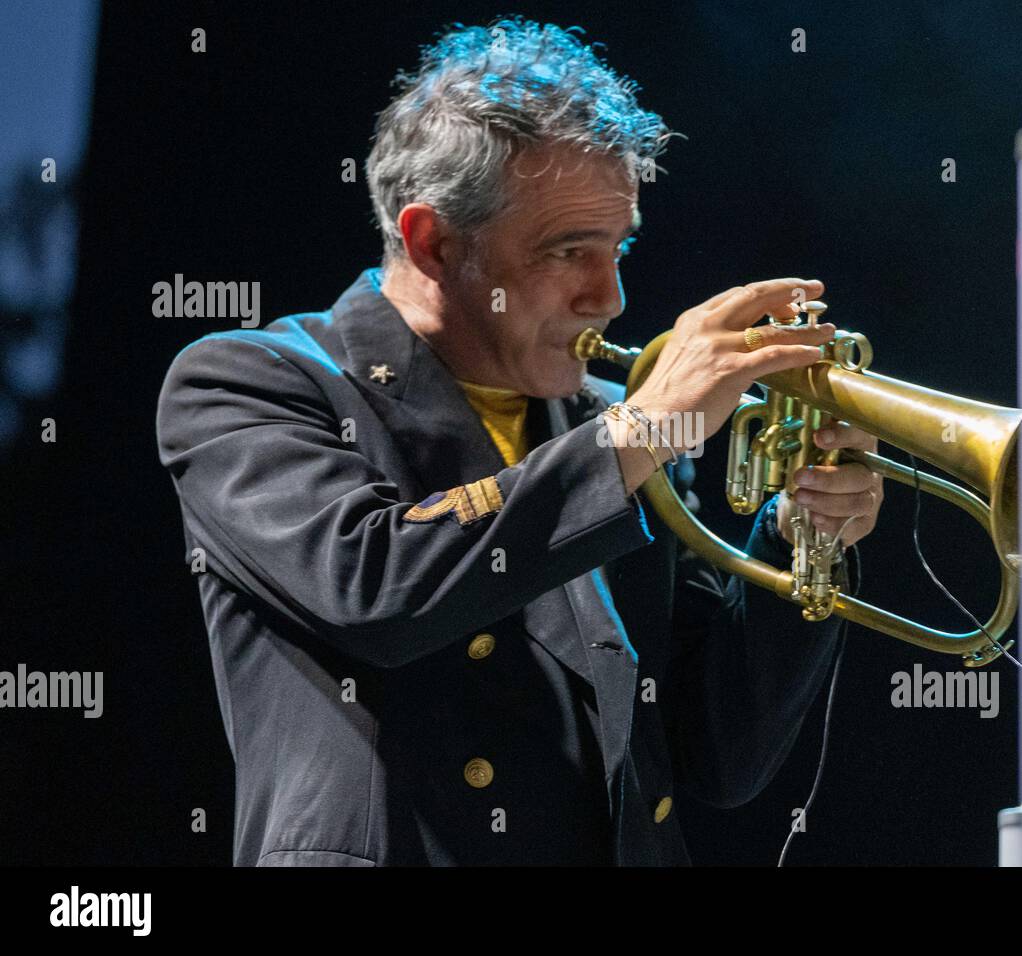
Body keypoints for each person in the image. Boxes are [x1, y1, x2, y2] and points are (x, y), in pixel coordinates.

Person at [155, 16, 883, 866]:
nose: (609, 297)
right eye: (567, 251)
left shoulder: (611, 427)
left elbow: (717, 757)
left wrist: (803, 539)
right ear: (433, 242)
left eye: (619, 248)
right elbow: (377, 587)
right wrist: (639, 428)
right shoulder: (249, 381)